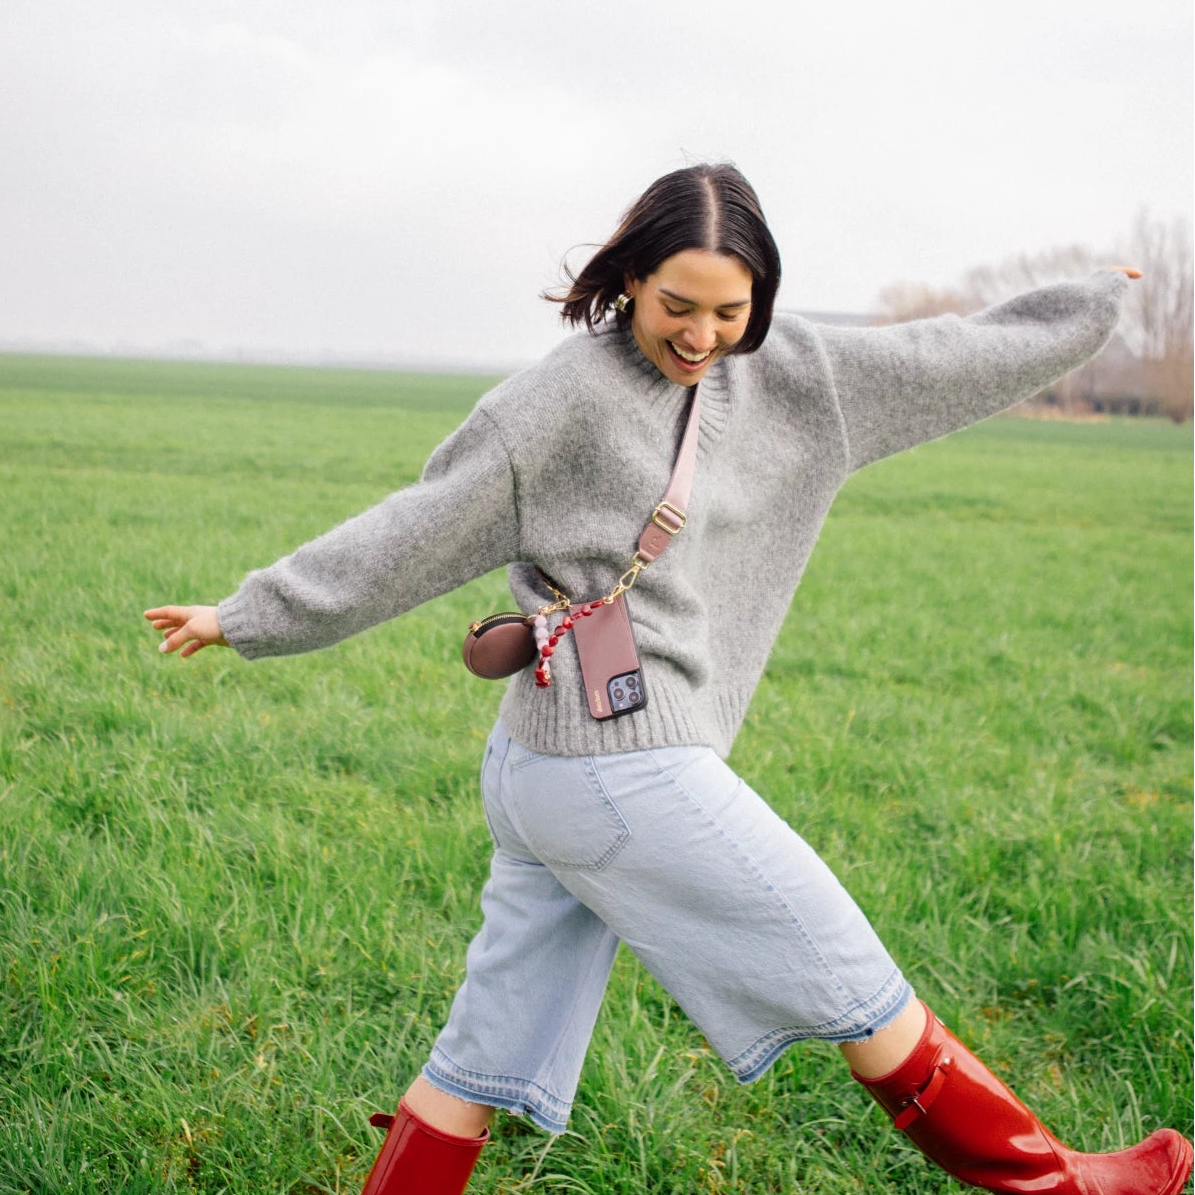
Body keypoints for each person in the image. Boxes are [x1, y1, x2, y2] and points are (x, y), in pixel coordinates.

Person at [145, 164, 1193, 1195]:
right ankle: (1058, 1184)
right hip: (612, 770)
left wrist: (1089, 303)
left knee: (484, 1047)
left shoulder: (797, 377)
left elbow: (944, 357)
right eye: (675, 306)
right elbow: (413, 531)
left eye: (729, 310)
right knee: (853, 978)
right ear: (630, 279)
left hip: (557, 769)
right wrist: (248, 615)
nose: (700, 335)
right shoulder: (555, 403)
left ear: (761, 297)